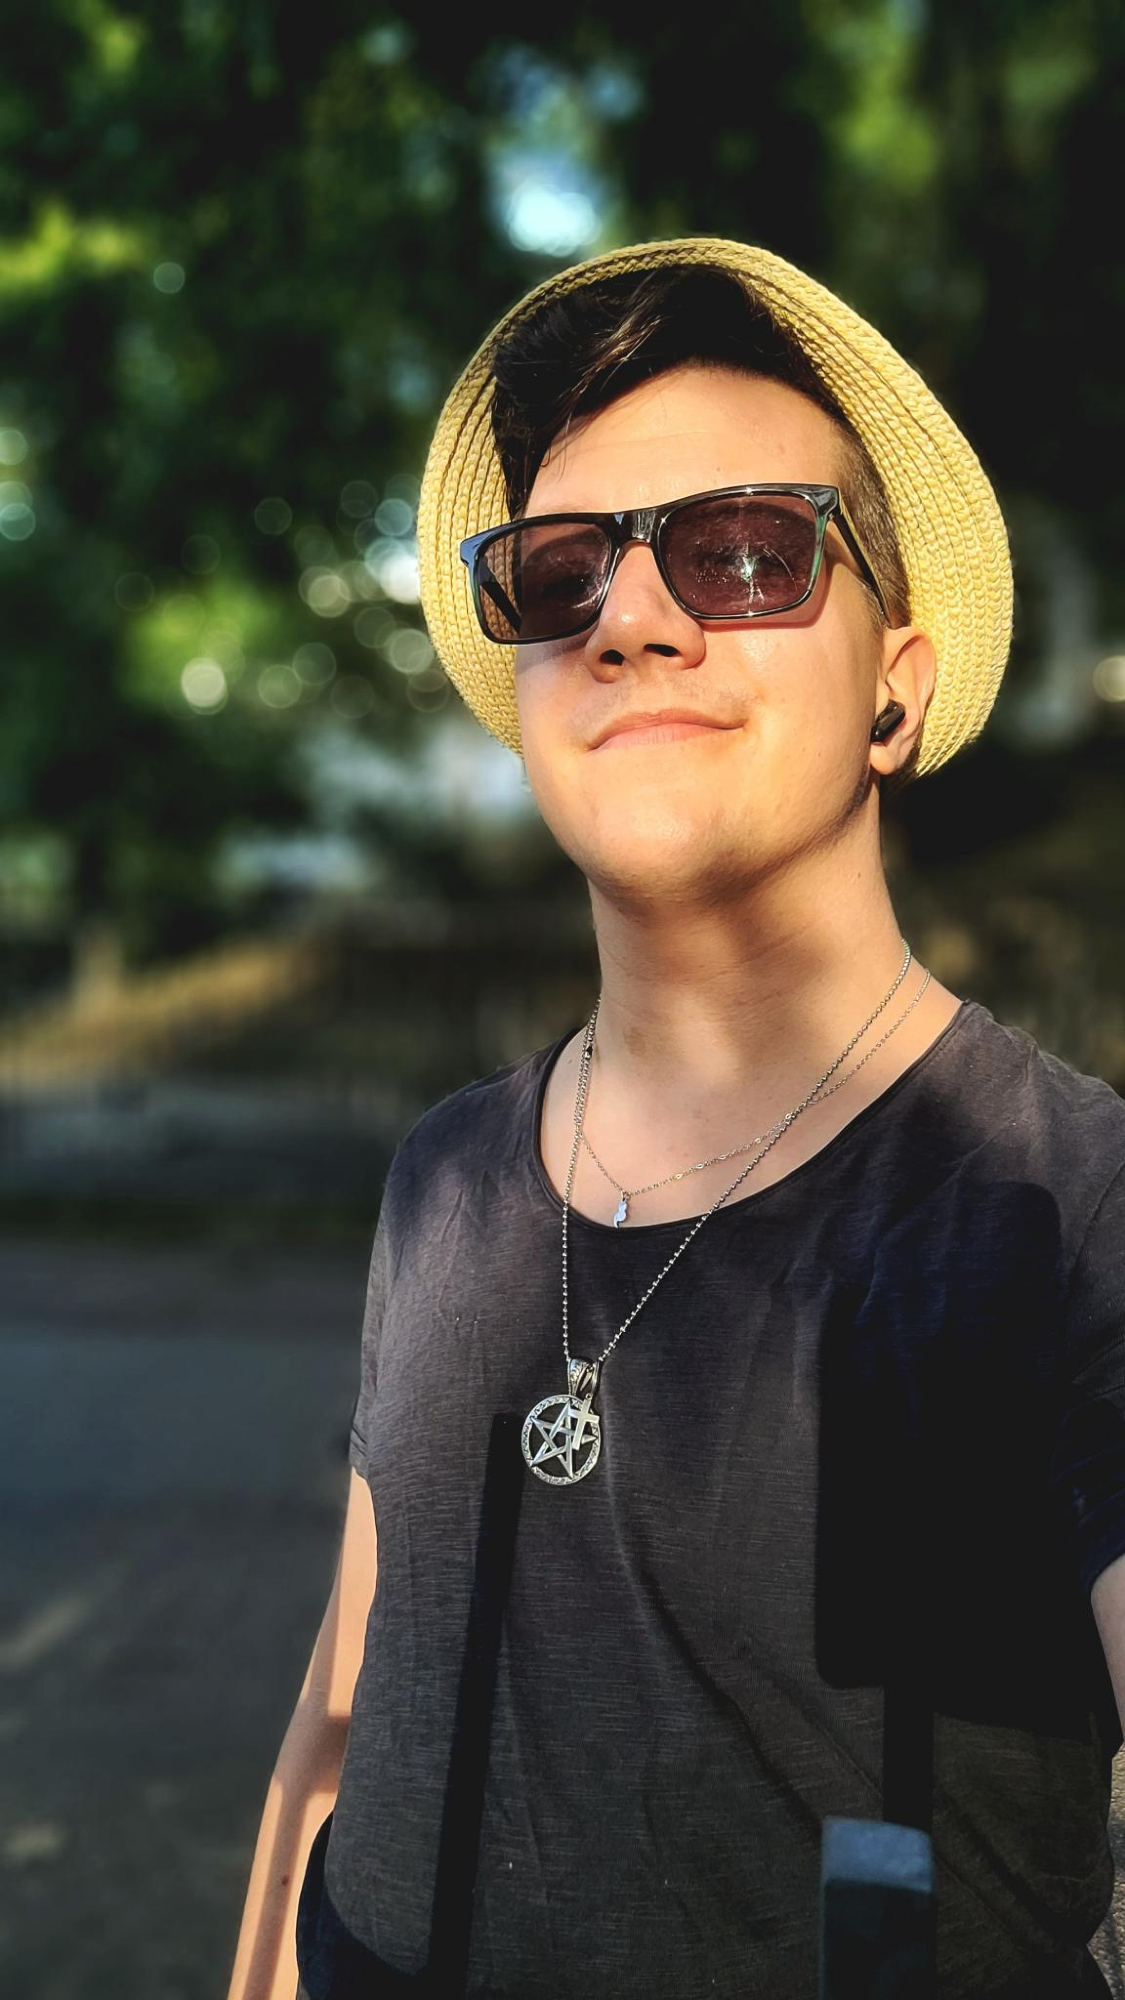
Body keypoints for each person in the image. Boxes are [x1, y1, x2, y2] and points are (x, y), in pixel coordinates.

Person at [226, 239, 1125, 2000]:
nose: (630, 619)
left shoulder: (1065, 1210)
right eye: (560, 571)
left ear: (897, 683)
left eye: (746, 550)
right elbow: (350, 1693)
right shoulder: (444, 1177)